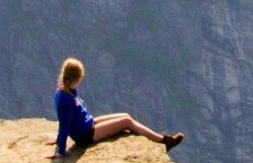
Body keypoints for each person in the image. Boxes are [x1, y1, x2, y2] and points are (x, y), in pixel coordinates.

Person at [53, 57, 182, 156]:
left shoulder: (66, 89)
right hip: (85, 135)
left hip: (88, 124)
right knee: (126, 122)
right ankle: (164, 141)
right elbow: (64, 123)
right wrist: (61, 150)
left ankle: (163, 139)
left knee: (125, 115)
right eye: (79, 80)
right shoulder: (65, 98)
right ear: (74, 79)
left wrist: (58, 139)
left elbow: (64, 120)